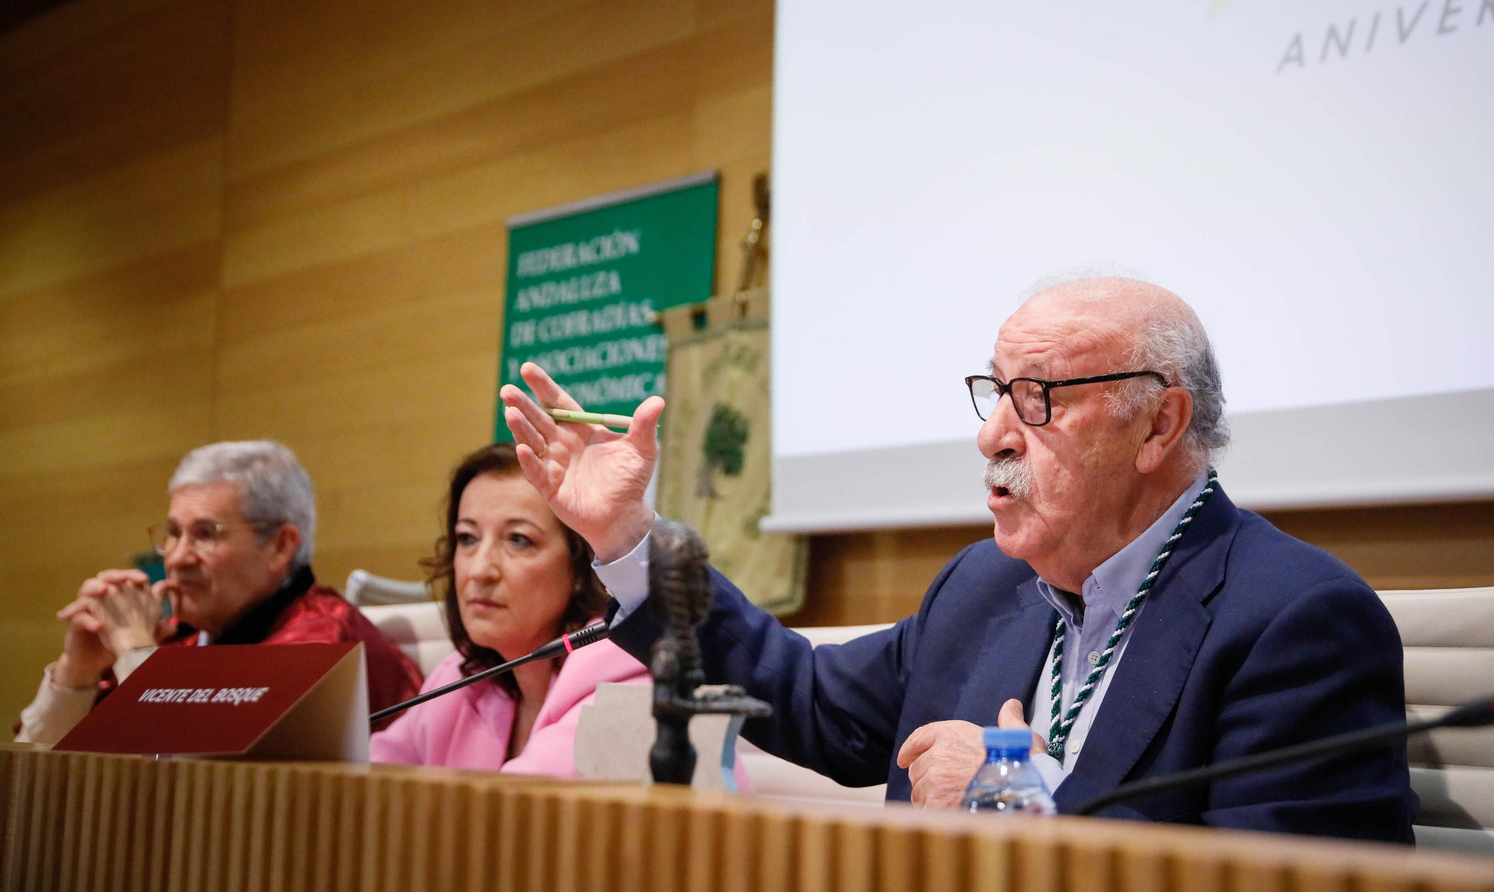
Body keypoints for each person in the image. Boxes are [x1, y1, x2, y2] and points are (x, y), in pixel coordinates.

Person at [497, 274, 1416, 840]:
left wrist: (1027, 806)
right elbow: (805, 703)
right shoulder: (986, 586)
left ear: (1160, 424)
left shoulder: (1295, 620)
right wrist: (625, 540)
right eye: (995, 393)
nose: (991, 436)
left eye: (1038, 397)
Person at [14, 441, 422, 744]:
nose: (176, 558)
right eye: (173, 533)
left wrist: (136, 654)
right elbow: (31, 777)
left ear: (280, 546)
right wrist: (76, 675)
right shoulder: (180, 635)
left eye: (205, 535)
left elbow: (210, 779)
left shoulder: (324, 640)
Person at [369, 443, 650, 775]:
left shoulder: (623, 672)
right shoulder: (462, 679)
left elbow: (521, 814)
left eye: (518, 540)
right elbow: (360, 783)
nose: (480, 570)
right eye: (467, 538)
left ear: (581, 565)